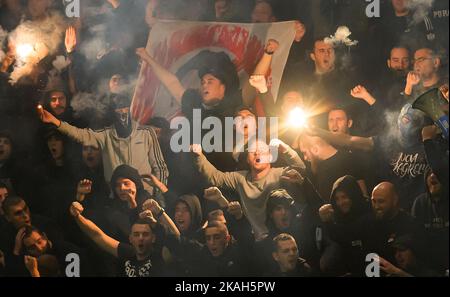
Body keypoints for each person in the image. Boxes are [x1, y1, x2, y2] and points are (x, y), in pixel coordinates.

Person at [38, 94, 169, 194]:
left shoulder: (146, 132)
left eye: (125, 110)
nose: (123, 115)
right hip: (117, 198)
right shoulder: (105, 135)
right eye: (119, 112)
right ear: (113, 115)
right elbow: (80, 134)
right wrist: (55, 121)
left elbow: (160, 167)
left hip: (144, 196)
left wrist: (157, 194)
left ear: (130, 111)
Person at [191, 138, 306, 241]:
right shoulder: (240, 178)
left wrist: (285, 149)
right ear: (247, 159)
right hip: (257, 241)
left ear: (270, 157)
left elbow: (300, 170)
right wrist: (199, 156)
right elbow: (215, 177)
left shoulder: (280, 173)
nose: (257, 152)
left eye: (261, 149)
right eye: (252, 151)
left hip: (284, 237)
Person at [70, 198, 177, 277]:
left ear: (153, 238)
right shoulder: (128, 253)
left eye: (145, 234)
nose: (140, 238)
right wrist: (77, 216)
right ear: (130, 238)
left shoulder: (159, 256)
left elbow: (176, 239)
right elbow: (98, 235)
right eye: (136, 234)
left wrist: (158, 212)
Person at [318, 175, 371, 276]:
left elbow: (348, 235)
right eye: (337, 199)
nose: (340, 202)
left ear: (353, 195)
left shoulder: (368, 215)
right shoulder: (338, 218)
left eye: (344, 197)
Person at [298, 133, 367, 200]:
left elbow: (363, 195)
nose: (305, 158)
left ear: (315, 149)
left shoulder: (348, 159)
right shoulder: (317, 169)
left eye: (305, 152)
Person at [412, 169, 448, 274]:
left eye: (437, 173)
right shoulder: (420, 203)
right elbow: (415, 236)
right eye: (429, 174)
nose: (432, 176)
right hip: (428, 264)